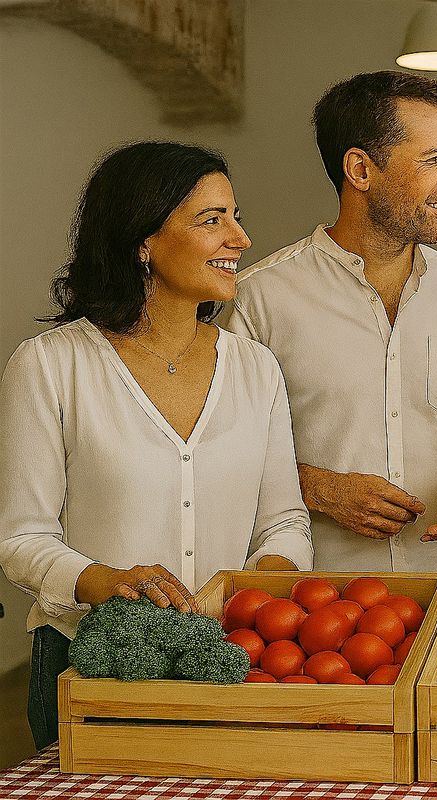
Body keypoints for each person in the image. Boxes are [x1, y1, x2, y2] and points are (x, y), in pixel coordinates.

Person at [0, 141, 313, 749]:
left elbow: (284, 518)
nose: (240, 239)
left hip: (228, 664)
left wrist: (264, 583)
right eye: (212, 219)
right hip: (87, 668)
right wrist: (104, 580)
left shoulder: (256, 367)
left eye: (236, 215)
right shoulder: (50, 364)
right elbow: (20, 538)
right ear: (142, 239)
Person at [223, 71, 437, 572]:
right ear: (360, 169)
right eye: (435, 160)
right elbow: (220, 451)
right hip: (314, 601)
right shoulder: (260, 297)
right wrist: (322, 489)